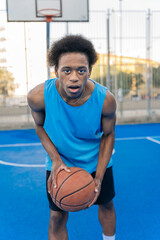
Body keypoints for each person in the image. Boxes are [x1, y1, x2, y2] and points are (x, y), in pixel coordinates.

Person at [27, 35, 116, 240]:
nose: (74, 77)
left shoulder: (105, 100)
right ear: (56, 71)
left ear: (89, 72)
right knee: (57, 215)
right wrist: (56, 160)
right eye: (67, 70)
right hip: (60, 159)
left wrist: (100, 176)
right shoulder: (38, 97)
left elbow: (109, 135)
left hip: (95, 159)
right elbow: (39, 127)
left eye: (81, 70)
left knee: (106, 203)